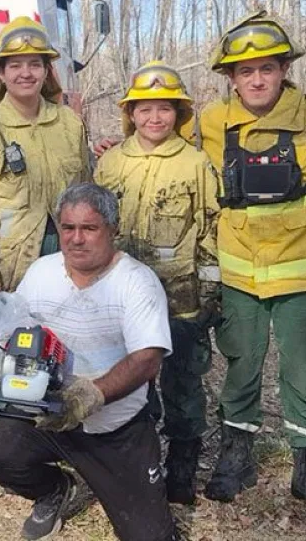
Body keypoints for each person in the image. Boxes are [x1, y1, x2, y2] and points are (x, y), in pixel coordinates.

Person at [181, 11, 306, 526]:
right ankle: (238, 457)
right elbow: (163, 138)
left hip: (303, 273)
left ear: (284, 70)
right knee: (240, 364)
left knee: (303, 371)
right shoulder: (210, 122)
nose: (257, 80)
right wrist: (119, 145)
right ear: (230, 78)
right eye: (245, 71)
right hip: (239, 275)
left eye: (267, 68)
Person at [0, 183, 177, 541]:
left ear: (113, 230)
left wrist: (89, 396)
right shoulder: (42, 272)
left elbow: (147, 360)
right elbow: (17, 329)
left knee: (150, 537)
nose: (77, 239)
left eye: (89, 228)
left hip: (115, 429)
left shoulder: (136, 283)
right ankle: (53, 489)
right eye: (68, 228)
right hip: (48, 417)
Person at [93, 60, 220, 505]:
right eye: (144, 109)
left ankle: (183, 464)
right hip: (122, 298)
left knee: (184, 384)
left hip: (179, 297)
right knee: (130, 386)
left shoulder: (195, 163)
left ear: (178, 113)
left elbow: (210, 229)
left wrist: (207, 294)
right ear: (131, 114)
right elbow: (95, 227)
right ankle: (135, 462)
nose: (154, 118)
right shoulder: (111, 162)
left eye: (164, 109)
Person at [0, 17, 92, 301]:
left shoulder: (69, 124)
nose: (26, 73)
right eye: (15, 65)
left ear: (47, 71)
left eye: (35, 64)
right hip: (14, 271)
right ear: (1, 73)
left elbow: (87, 193)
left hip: (71, 261)